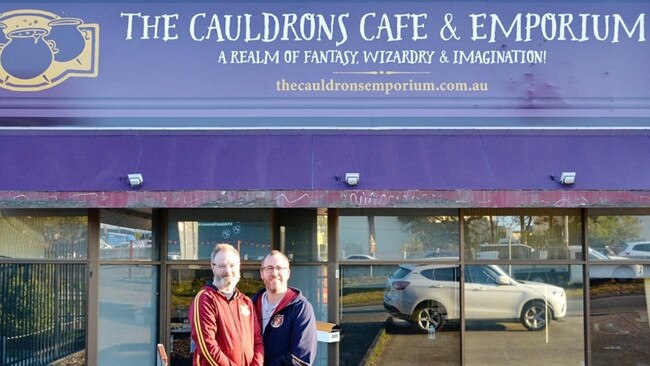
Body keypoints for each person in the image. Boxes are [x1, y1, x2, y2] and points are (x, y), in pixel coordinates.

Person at [189, 243, 264, 366]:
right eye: (222, 266)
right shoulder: (205, 299)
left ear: (239, 267)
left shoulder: (246, 302)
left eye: (232, 265)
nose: (228, 271)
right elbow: (207, 347)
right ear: (213, 267)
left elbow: (257, 340)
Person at [252, 250, 318, 366]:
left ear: (288, 273)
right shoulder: (250, 306)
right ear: (262, 273)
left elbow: (301, 358)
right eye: (269, 268)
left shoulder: (301, 308)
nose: (274, 273)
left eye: (279, 268)